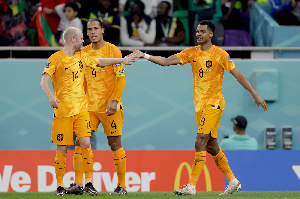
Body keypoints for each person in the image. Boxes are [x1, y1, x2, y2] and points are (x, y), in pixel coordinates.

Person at [129, 20, 267, 196]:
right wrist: (144, 55)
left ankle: (191, 186)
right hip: (200, 107)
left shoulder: (220, 54)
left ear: (211, 34)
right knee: (212, 146)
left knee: (200, 140)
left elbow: (238, 74)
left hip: (214, 104)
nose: (198, 34)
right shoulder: (191, 53)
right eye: (197, 31)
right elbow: (165, 62)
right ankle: (233, 181)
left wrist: (254, 94)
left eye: (202, 31)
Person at [40, 27, 136, 196]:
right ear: (73, 40)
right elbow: (44, 81)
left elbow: (100, 61)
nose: (84, 40)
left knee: (86, 143)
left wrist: (121, 60)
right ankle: (61, 185)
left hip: (82, 110)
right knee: (62, 148)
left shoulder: (83, 56)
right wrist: (50, 97)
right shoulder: (55, 58)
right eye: (81, 38)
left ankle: (89, 182)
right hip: (62, 111)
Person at [65, 18, 128, 195]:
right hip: (89, 108)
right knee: (80, 141)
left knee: (114, 143)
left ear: (102, 30)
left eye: (95, 29)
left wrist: (115, 100)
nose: (92, 32)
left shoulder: (113, 50)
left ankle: (121, 185)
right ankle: (78, 183)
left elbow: (121, 78)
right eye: (89, 29)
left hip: (109, 107)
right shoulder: (83, 52)